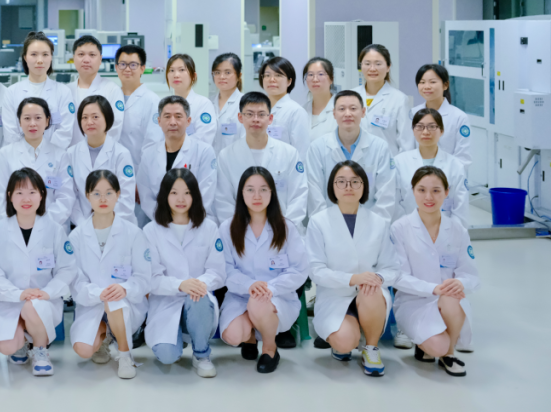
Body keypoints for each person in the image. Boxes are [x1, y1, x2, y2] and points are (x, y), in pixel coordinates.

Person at [306, 160, 400, 377]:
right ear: (332, 187)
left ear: (364, 186)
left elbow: (392, 267)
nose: (348, 187)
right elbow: (316, 270)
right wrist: (353, 278)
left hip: (370, 295)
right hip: (335, 295)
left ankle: (371, 348)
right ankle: (348, 337)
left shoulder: (379, 222)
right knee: (344, 342)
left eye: (355, 182)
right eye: (341, 181)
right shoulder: (318, 222)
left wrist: (377, 278)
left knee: (371, 290)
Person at [0, 168, 76, 376]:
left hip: (43, 299)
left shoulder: (54, 229)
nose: (26, 199)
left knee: (32, 308)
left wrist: (47, 292)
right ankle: (22, 342)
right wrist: (19, 294)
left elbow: (67, 269)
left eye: (32, 192)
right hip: (8, 300)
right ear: (10, 196)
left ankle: (40, 350)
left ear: (42, 195)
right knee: (7, 346)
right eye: (19, 193)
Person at [391, 166, 480, 376]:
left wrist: (460, 283)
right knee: (436, 346)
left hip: (449, 302)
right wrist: (433, 289)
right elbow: (398, 276)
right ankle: (433, 346)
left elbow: (471, 274)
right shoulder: (399, 228)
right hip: (414, 302)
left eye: (436, 190)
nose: (428, 197)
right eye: (422, 190)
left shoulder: (457, 230)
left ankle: (449, 354)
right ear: (413, 191)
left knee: (451, 297)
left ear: (447, 192)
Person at [219, 167, 308, 374]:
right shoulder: (227, 228)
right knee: (232, 335)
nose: (257, 196)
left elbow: (299, 270)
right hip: (240, 295)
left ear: (272, 193)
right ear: (241, 193)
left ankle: (269, 348)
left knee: (258, 303)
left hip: (277, 297)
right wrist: (249, 285)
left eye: (263, 190)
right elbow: (225, 269)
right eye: (250, 190)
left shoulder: (286, 228)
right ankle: (249, 338)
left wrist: (270, 288)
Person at [68, 170, 151, 379]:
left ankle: (125, 354)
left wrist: (125, 288)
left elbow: (144, 277)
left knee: (114, 301)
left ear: (118, 194)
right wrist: (98, 293)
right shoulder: (76, 236)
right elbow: (74, 280)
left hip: (125, 303)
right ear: (87, 196)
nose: (103, 199)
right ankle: (106, 335)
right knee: (83, 349)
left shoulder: (133, 233)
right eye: (96, 194)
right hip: (92, 303)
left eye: (109, 193)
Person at [143, 169, 224, 377]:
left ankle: (201, 354)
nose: (181, 199)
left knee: (198, 296)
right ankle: (176, 337)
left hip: (197, 300)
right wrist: (180, 285)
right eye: (174, 193)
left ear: (195, 195)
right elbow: (151, 278)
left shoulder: (209, 227)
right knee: (167, 356)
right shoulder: (151, 231)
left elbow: (217, 271)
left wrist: (197, 284)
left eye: (187, 193)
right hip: (166, 302)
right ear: (165, 195)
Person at [216, 92, 307, 225]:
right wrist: (238, 230)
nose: (255, 119)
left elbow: (299, 195)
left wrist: (286, 228)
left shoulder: (289, 153)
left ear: (270, 118)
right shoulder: (226, 156)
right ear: (240, 117)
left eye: (261, 114)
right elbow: (223, 200)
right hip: (240, 230)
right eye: (249, 114)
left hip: (282, 229)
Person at [306, 90, 397, 220]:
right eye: (342, 109)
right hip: (329, 223)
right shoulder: (317, 148)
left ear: (363, 112)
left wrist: (374, 227)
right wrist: (324, 226)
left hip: (370, 223)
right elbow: (314, 194)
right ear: (334, 114)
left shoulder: (380, 147)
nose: (347, 114)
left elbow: (386, 195)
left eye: (353, 108)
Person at [0, 97, 75, 227]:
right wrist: (17, 225)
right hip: (15, 227)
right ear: (19, 122)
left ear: (47, 121)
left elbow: (66, 197)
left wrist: (43, 224)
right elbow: (1, 196)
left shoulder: (61, 155)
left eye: (38, 118)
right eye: (26, 118)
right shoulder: (5, 154)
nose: (32, 123)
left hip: (52, 226)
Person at [138, 96, 218, 224]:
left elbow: (206, 193)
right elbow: (146, 197)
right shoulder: (148, 154)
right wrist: (165, 220)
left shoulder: (204, 151)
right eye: (167, 116)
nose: (173, 122)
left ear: (188, 121)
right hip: (159, 223)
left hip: (195, 222)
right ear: (159, 121)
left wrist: (183, 221)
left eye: (178, 116)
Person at [69, 95, 136, 227]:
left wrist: (105, 224)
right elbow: (70, 195)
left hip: (118, 225)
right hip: (82, 225)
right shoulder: (71, 154)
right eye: (84, 117)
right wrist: (85, 225)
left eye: (95, 117)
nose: (89, 122)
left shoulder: (121, 154)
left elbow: (126, 198)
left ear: (107, 118)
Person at [0, 32, 75, 150]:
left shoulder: (63, 92)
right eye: (34, 54)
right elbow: (11, 133)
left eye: (45, 54)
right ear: (25, 57)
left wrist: (44, 155)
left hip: (53, 157)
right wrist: (27, 155)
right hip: (19, 157)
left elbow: (64, 132)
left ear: (51, 57)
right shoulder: (12, 92)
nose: (40, 60)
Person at [396, 108, 469, 225]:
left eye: (432, 127)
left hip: (446, 230)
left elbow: (460, 209)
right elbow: (395, 204)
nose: (425, 132)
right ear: (413, 130)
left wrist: (449, 232)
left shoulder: (455, 165)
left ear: (441, 131)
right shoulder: (399, 162)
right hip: (407, 229)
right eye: (420, 127)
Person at [402, 64, 472, 169]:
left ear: (445, 85)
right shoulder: (413, 113)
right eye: (422, 82)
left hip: (448, 175)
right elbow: (407, 148)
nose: (426, 86)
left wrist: (441, 176)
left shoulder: (459, 117)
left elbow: (462, 159)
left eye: (433, 82)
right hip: (417, 173)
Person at [67, 36, 125, 145]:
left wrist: (95, 150)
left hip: (101, 152)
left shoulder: (112, 90)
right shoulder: (66, 91)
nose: (86, 60)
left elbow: (115, 128)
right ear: (74, 58)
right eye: (81, 54)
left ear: (100, 59)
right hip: (70, 152)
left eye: (92, 55)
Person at [353, 44, 407, 155]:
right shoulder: (350, 96)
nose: (372, 69)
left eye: (378, 64)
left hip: (387, 162)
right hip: (355, 162)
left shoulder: (399, 100)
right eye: (367, 64)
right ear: (361, 66)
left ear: (388, 67)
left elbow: (406, 144)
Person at [114, 44, 162, 169]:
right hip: (112, 169)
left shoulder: (152, 101)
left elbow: (153, 143)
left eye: (133, 65)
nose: (127, 69)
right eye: (122, 64)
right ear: (116, 67)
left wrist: (143, 175)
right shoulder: (110, 97)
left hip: (139, 170)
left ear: (142, 68)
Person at [259, 56, 311, 158]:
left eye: (278, 75)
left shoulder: (296, 112)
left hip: (284, 167)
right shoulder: (257, 109)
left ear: (289, 81)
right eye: (267, 75)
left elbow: (302, 152)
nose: (272, 79)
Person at [164, 54, 217, 147]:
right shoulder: (163, 105)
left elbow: (203, 139)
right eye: (171, 70)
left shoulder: (203, 104)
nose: (176, 75)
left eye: (181, 70)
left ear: (193, 76)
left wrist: (174, 146)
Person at [212, 53, 244, 153]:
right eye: (217, 72)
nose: (222, 77)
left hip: (235, 159)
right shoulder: (208, 103)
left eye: (228, 72)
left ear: (239, 76)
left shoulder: (246, 104)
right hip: (210, 160)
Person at [303, 57, 338, 142]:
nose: (315, 79)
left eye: (321, 74)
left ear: (331, 79)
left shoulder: (341, 109)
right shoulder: (302, 110)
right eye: (310, 75)